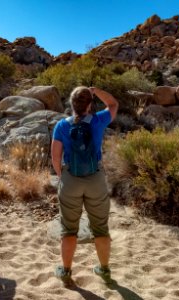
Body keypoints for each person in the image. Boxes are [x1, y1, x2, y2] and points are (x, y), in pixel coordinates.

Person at [51, 86, 118, 285]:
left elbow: (55, 157)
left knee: (69, 229)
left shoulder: (62, 126)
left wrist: (62, 175)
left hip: (71, 177)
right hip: (95, 178)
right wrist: (96, 91)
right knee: (100, 228)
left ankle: (66, 271)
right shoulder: (98, 120)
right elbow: (113, 104)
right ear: (89, 105)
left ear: (71, 104)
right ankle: (104, 270)